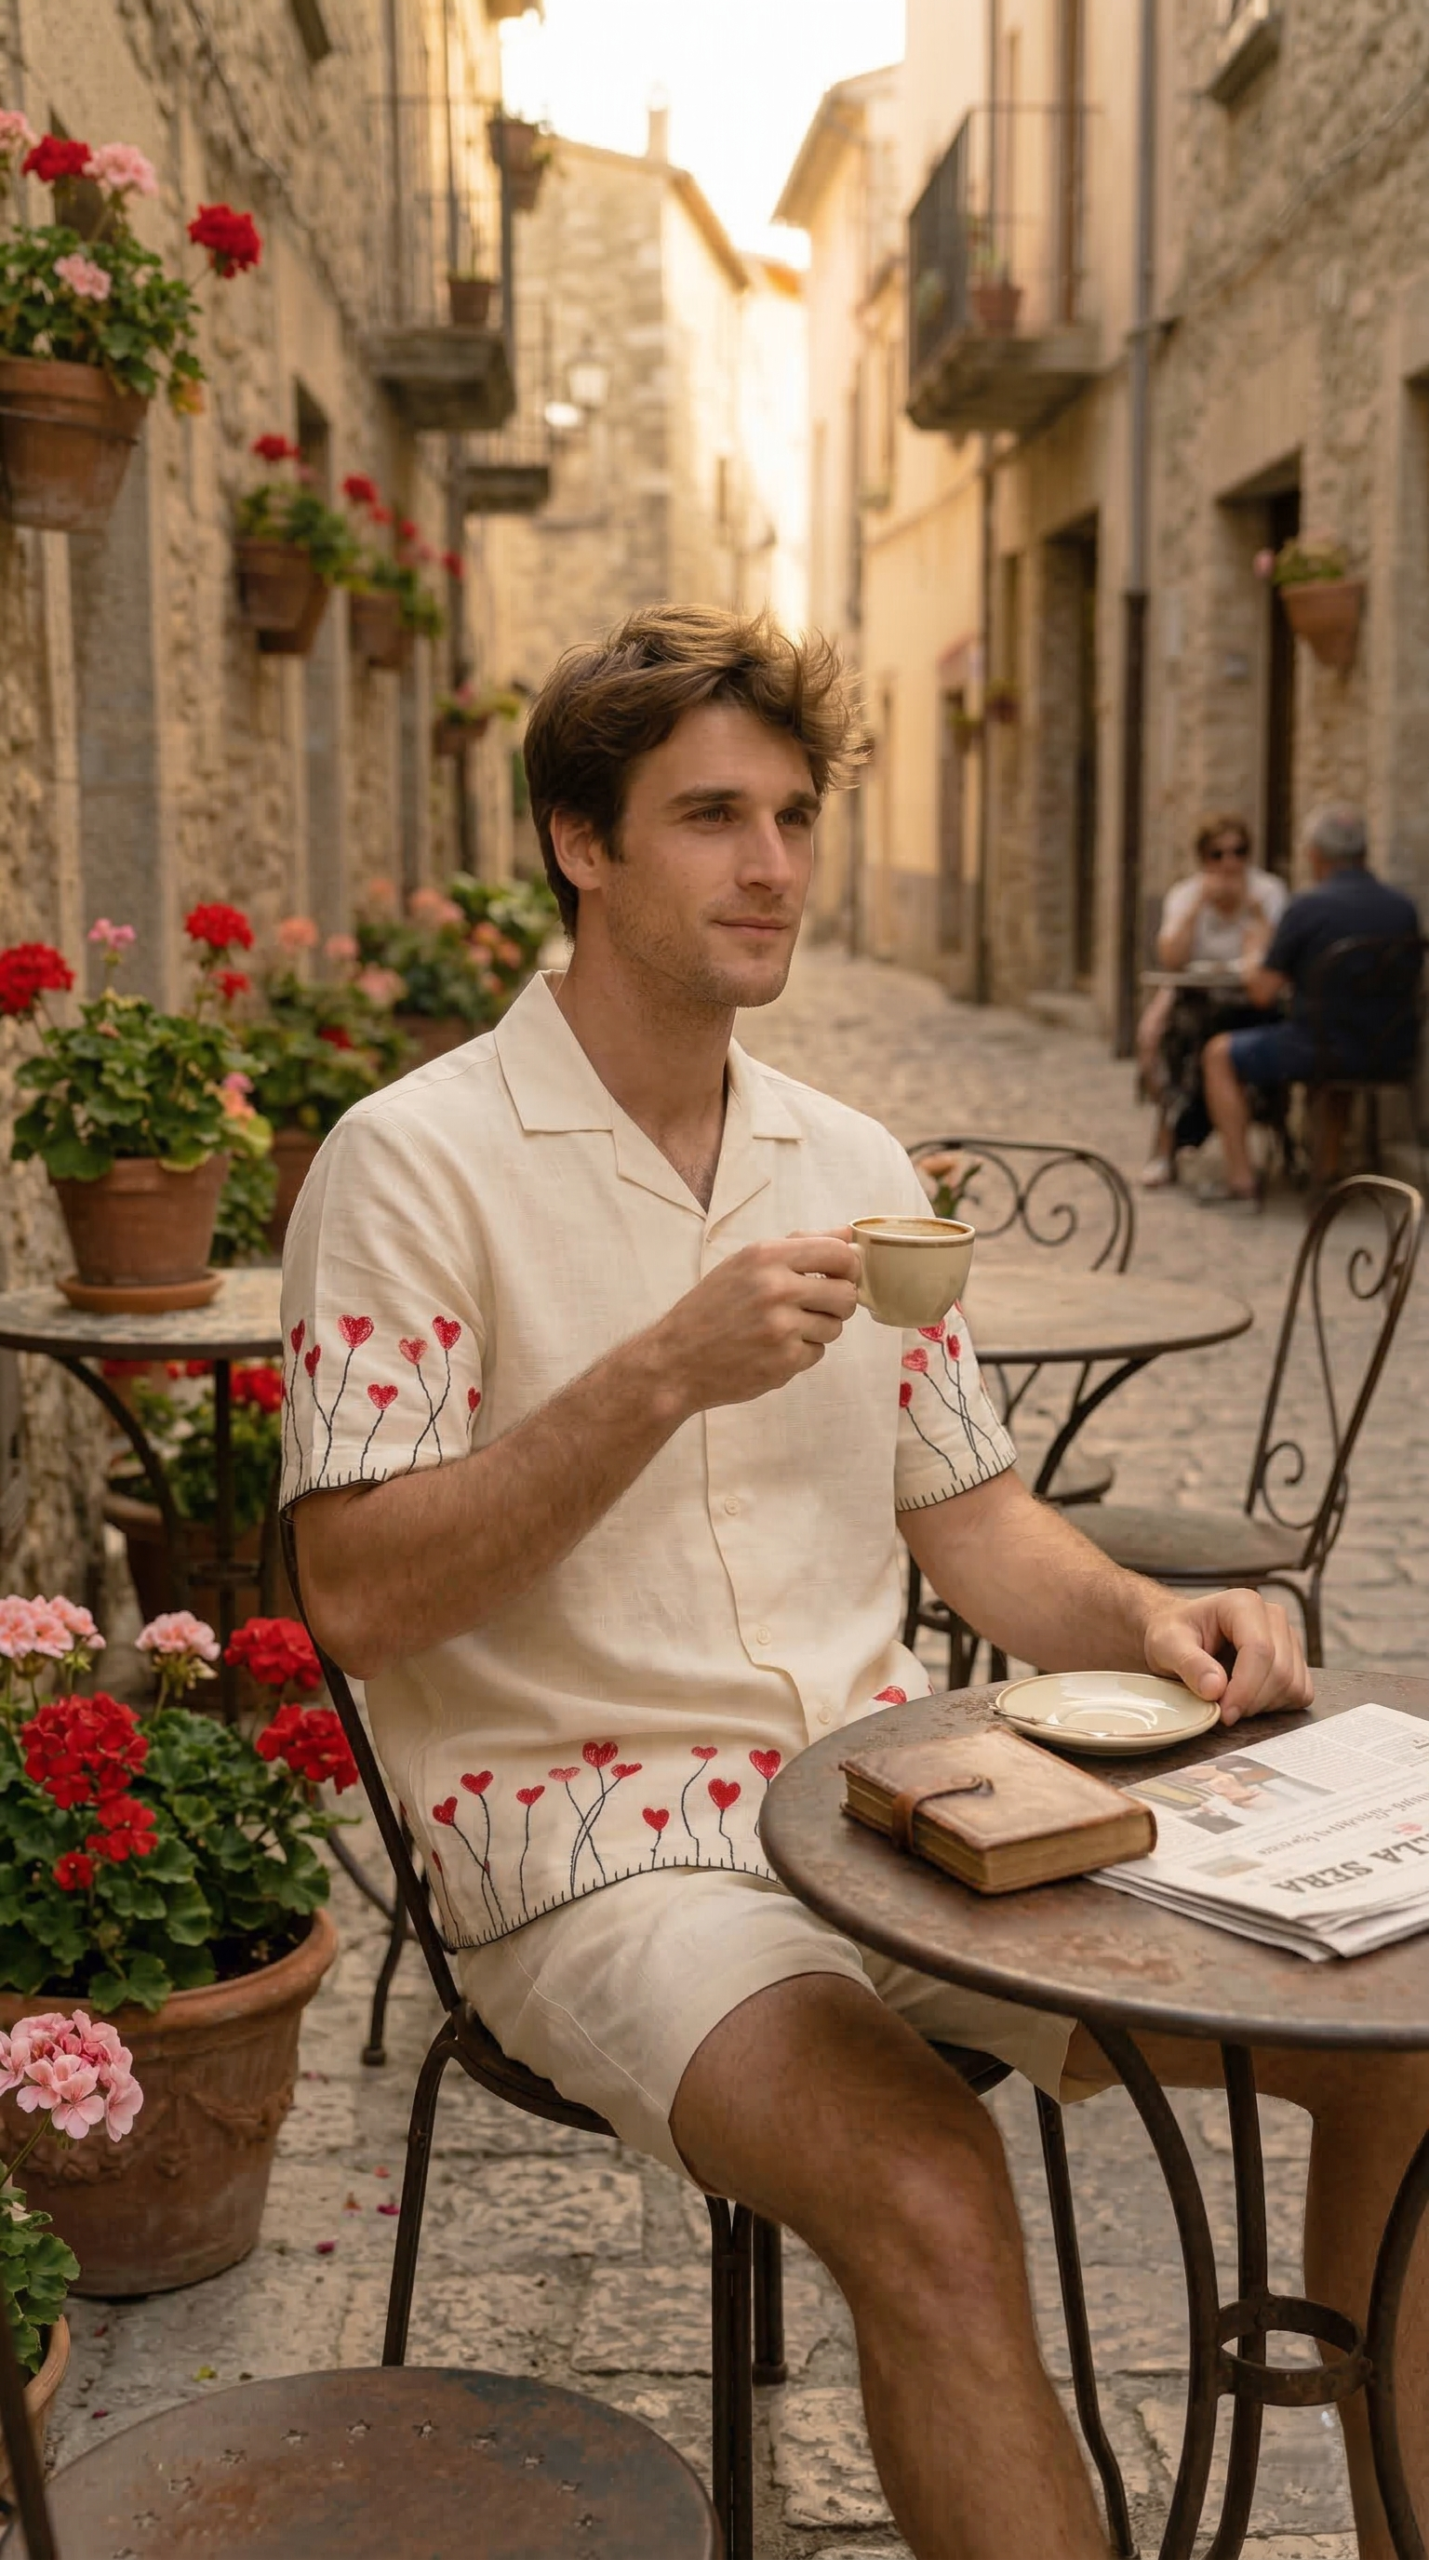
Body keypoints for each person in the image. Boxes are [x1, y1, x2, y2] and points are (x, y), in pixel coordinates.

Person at [283, 609, 1424, 2560]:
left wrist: (1150, 1623)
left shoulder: (848, 1151)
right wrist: (658, 1368)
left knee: (1397, 2038)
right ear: (580, 839)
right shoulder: (411, 1163)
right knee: (930, 2175)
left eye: (795, 815)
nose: (775, 867)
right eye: (713, 815)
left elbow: (969, 1511)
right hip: (590, 1839)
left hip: (903, 1795)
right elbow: (360, 1597)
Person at [1201, 802, 1422, 1205]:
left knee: (1218, 1054)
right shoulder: (1402, 908)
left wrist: (1253, 952)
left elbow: (1262, 993)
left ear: (1315, 855)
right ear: (1363, 853)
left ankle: (1241, 1180)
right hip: (1391, 1051)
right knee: (1336, 1049)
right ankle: (1327, 1172)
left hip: (1319, 1050)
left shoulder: (1308, 907)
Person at [1135, 815, 1287, 1188]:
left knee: (1201, 1037)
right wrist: (1198, 908)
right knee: (1155, 1035)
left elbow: (1276, 960)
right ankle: (1167, 1142)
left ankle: (1186, 1139)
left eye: (1239, 852)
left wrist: (1253, 913)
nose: (1229, 863)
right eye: (1217, 854)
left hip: (1250, 999)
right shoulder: (1187, 895)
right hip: (1196, 993)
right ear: (1204, 859)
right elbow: (1171, 958)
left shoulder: (1267, 892)